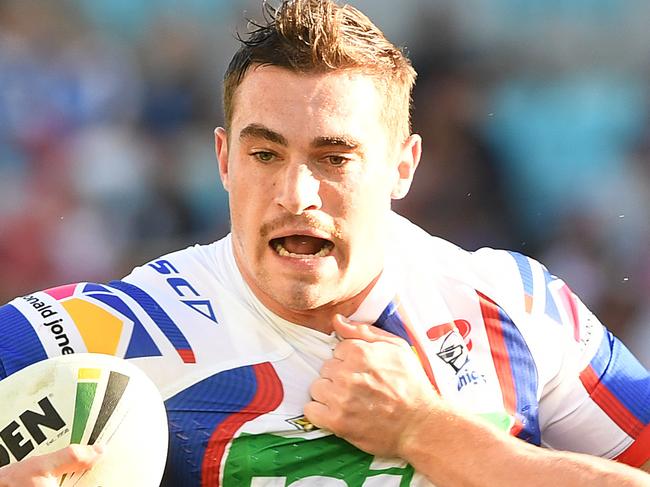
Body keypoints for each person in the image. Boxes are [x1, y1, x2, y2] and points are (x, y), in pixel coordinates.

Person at [0, 1, 648, 485]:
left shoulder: (516, 303)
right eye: (264, 152)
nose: (296, 194)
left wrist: (430, 431)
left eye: (334, 158)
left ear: (404, 165)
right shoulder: (116, 330)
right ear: (223, 160)